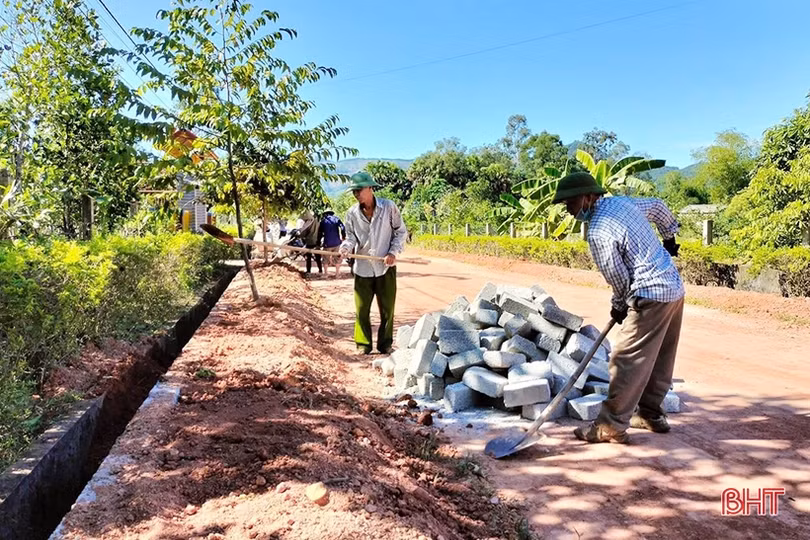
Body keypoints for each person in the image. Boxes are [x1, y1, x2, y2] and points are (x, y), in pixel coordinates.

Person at [551, 172, 684, 444]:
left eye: (570, 203)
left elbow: (620, 279)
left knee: (625, 359)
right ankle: (650, 415)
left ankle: (610, 426)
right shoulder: (623, 203)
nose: (569, 210)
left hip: (649, 294)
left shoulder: (598, 232)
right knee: (660, 356)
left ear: (588, 197)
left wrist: (619, 306)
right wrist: (670, 236)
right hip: (673, 289)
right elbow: (658, 206)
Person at [339, 172, 407, 355]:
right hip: (362, 269)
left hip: (385, 267)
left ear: (370, 188)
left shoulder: (388, 208)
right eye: (354, 191)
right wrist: (345, 247)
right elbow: (351, 237)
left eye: (359, 190)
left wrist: (393, 252)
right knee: (361, 309)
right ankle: (363, 344)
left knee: (387, 309)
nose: (356, 194)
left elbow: (400, 232)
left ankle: (385, 344)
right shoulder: (352, 213)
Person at [318, 208, 346, 278]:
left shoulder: (323, 221)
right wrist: (343, 236)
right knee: (337, 258)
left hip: (327, 243)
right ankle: (337, 274)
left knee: (325, 259)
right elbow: (343, 227)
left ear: (325, 214)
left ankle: (326, 274)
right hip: (337, 242)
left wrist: (318, 242)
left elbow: (320, 233)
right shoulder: (336, 219)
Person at [298, 210, 322, 275]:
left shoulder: (309, 223)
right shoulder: (318, 222)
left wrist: (300, 235)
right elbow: (320, 232)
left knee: (308, 258)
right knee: (318, 257)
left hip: (309, 241)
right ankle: (320, 270)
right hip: (317, 242)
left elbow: (304, 233)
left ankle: (308, 271)